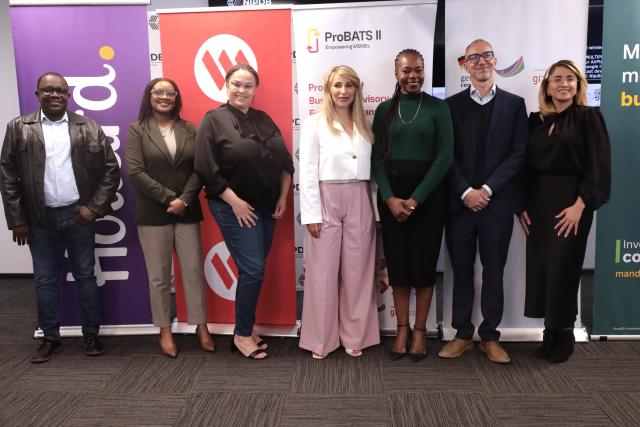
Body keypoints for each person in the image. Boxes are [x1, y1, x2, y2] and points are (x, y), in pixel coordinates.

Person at [0, 72, 120, 363]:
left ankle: (91, 334)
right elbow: (7, 175)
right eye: (48, 90)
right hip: (38, 219)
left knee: (85, 275)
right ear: (37, 93)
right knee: (44, 279)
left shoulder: (88, 126)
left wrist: (93, 207)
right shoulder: (19, 127)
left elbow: (110, 170)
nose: (55, 95)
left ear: (68, 95)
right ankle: (49, 337)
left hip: (78, 216)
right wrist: (17, 219)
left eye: (61, 91)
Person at [195, 64, 293, 360]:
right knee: (253, 269)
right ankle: (241, 334)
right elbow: (204, 168)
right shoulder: (212, 120)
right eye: (236, 84)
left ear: (255, 89)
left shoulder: (264, 119)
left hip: (266, 207)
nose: (242, 90)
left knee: (254, 270)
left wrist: (284, 197)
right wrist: (234, 201)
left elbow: (286, 162)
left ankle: (247, 328)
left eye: (248, 85)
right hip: (233, 207)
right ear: (226, 85)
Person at [439, 39, 528, 364]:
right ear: (464, 65)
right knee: (461, 271)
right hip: (460, 206)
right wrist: (466, 191)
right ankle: (463, 334)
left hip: (497, 205)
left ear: (494, 60)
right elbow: (446, 155)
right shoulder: (449, 107)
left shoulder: (515, 105)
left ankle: (490, 336)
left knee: (494, 272)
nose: (481, 61)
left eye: (486, 55)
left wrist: (487, 190)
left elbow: (518, 155)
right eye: (473, 57)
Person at [519, 60, 610, 363]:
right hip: (539, 206)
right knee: (543, 269)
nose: (564, 84)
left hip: (572, 204)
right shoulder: (535, 120)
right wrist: (522, 207)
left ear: (578, 85)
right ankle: (549, 334)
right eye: (557, 79)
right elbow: (524, 168)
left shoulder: (588, 118)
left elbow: (599, 166)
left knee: (564, 269)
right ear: (546, 86)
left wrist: (580, 206)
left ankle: (565, 334)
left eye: (570, 79)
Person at [372, 49, 454, 362]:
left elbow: (445, 157)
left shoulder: (439, 108)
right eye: (406, 70)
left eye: (418, 70)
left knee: (423, 266)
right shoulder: (384, 110)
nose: (413, 76)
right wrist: (390, 198)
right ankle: (402, 328)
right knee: (399, 266)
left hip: (429, 200)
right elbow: (376, 158)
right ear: (396, 73)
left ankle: (420, 330)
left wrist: (416, 198)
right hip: (391, 200)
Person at [126, 78, 215, 358]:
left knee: (192, 271)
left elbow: (199, 168)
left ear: (177, 98)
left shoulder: (190, 129)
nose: (165, 97)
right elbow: (135, 171)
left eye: (170, 93)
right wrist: (169, 198)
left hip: (186, 210)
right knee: (159, 277)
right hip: (154, 212)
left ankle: (201, 325)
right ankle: (165, 329)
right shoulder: (137, 130)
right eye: (159, 92)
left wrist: (184, 199)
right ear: (149, 96)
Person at [299, 65, 380, 359]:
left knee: (358, 273)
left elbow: (372, 175)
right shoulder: (314, 124)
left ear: (357, 89)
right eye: (337, 86)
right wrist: (311, 215)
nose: (343, 91)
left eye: (349, 85)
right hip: (325, 198)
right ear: (327, 90)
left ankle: (354, 337)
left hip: (359, 198)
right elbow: (306, 171)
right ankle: (321, 340)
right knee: (322, 274)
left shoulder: (365, 124)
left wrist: (377, 213)